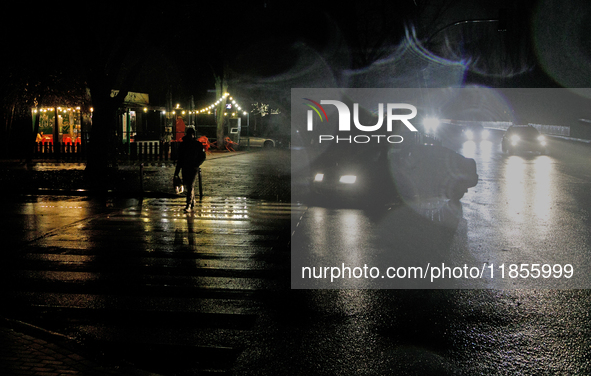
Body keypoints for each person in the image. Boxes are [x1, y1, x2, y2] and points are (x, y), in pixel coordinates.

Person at [174, 127, 206, 212]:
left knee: (189, 185)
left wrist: (177, 171)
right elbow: (203, 156)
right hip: (191, 166)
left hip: (188, 166)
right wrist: (197, 163)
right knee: (189, 185)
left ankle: (189, 204)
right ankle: (192, 201)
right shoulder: (196, 144)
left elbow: (180, 158)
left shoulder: (184, 144)